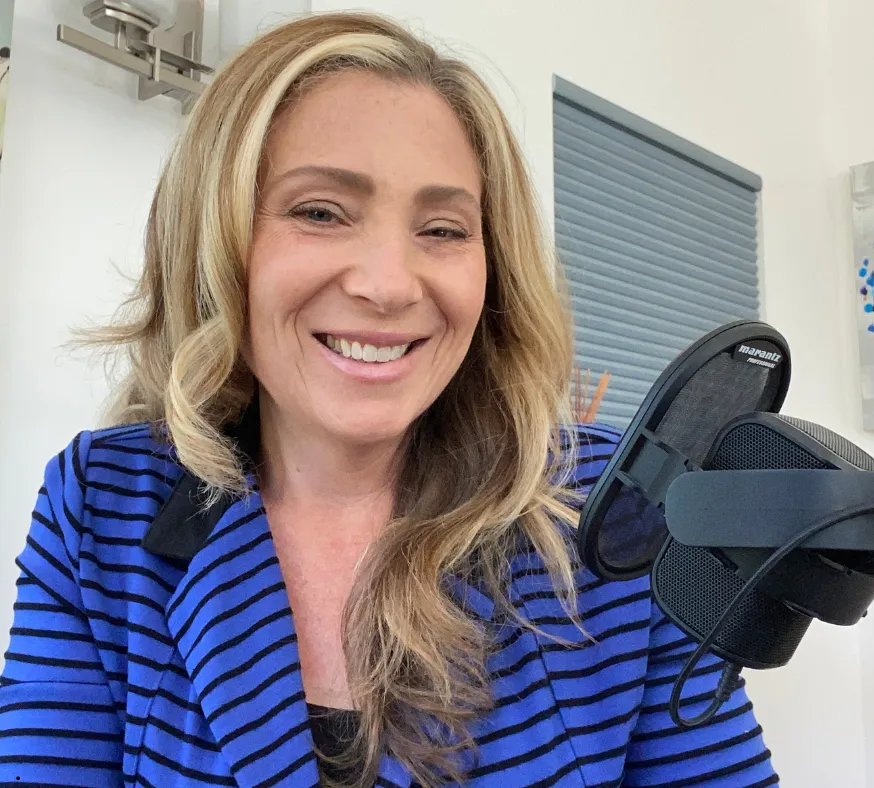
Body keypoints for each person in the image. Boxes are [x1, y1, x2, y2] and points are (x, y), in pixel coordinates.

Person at [0, 12, 778, 788]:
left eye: (442, 229)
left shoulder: (612, 513)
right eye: (319, 212)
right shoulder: (101, 507)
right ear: (215, 240)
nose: (388, 285)